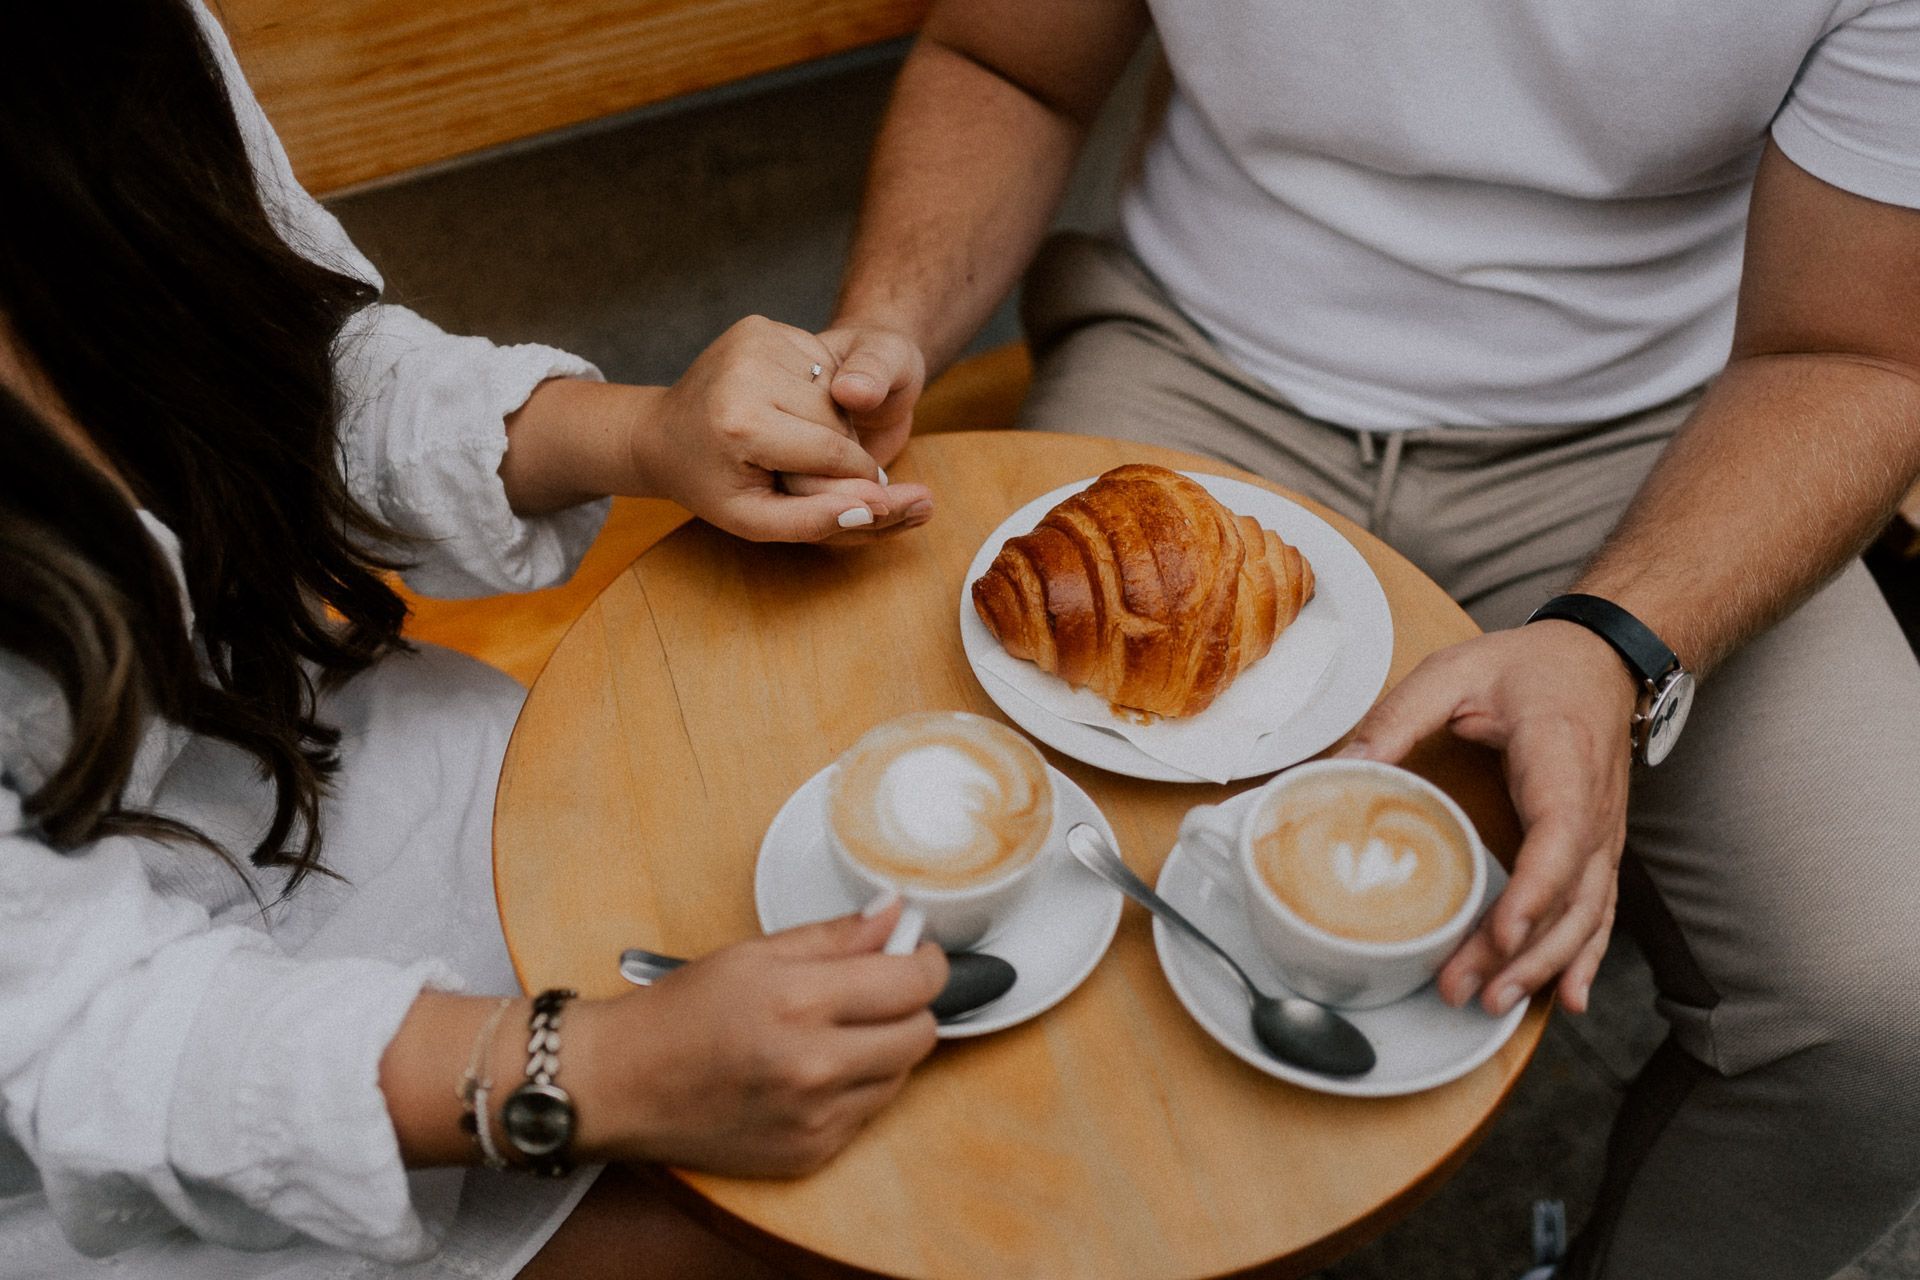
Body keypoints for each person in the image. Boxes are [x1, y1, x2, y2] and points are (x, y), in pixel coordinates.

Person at [810, 2, 1920, 1276]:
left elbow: (1859, 353)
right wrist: (882, 331)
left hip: (1667, 435)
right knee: (1016, 912)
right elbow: (1007, 62)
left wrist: (1621, 638)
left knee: (1889, 1017)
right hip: (1198, 367)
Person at [0, 3, 948, 1278]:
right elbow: (92, 1032)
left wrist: (643, 431)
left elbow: (275, 349)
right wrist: (587, 1069)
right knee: (863, 1228)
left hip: (370, 785)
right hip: (122, 1144)